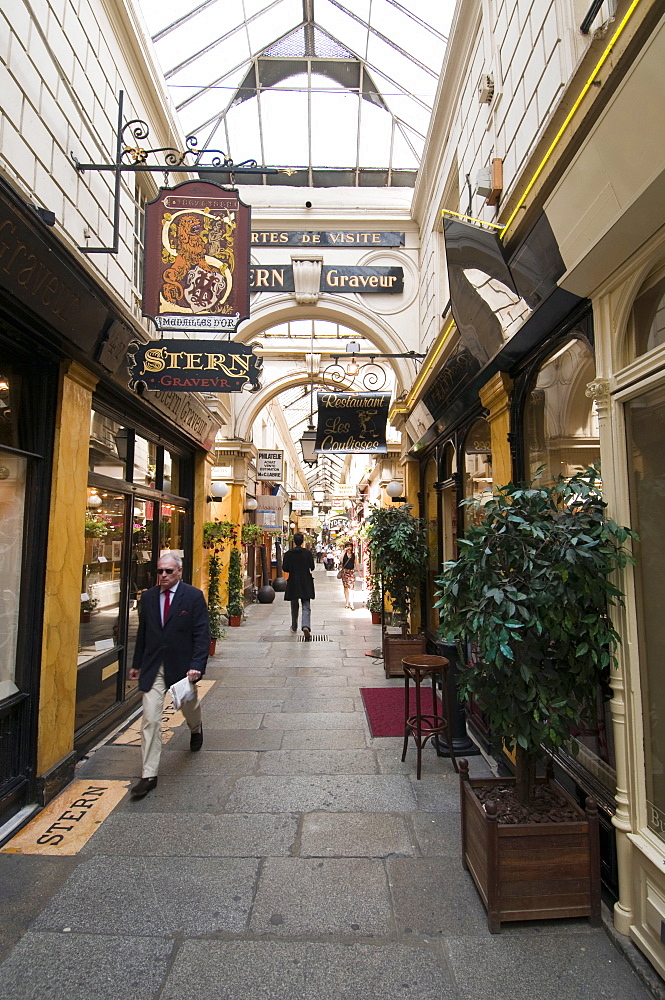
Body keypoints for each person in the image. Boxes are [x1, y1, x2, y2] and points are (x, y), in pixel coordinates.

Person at [128, 552, 210, 798]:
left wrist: (196, 664)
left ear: (179, 572)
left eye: (168, 571)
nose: (163, 575)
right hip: (154, 666)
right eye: (160, 571)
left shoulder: (193, 597)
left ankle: (195, 727)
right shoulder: (149, 597)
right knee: (151, 719)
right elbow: (143, 631)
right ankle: (149, 774)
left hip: (182, 666)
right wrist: (137, 663)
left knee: (189, 705)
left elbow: (201, 634)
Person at [282, 531, 315, 640]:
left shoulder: (289, 554)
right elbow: (312, 567)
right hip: (305, 581)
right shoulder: (307, 553)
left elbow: (285, 568)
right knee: (306, 605)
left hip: (293, 581)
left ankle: (294, 626)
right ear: (302, 541)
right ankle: (305, 625)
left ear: (294, 541)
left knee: (294, 605)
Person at [340, 543, 356, 610]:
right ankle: (347, 602)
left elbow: (356, 563)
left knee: (351, 587)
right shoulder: (344, 554)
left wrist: (359, 572)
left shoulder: (354, 555)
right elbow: (341, 560)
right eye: (348, 546)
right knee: (346, 587)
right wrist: (344, 551)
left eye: (350, 546)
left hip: (351, 572)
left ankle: (351, 603)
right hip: (345, 572)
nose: (349, 548)